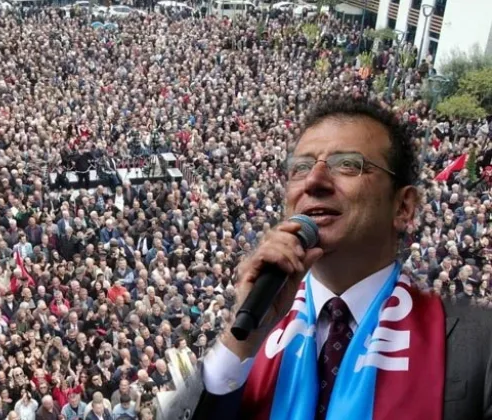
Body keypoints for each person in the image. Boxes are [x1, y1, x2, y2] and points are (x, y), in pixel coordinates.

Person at [192, 97, 492, 419]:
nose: (313, 182)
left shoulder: (477, 347)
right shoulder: (247, 341)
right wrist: (243, 342)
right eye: (301, 168)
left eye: (348, 165)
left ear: (403, 207)